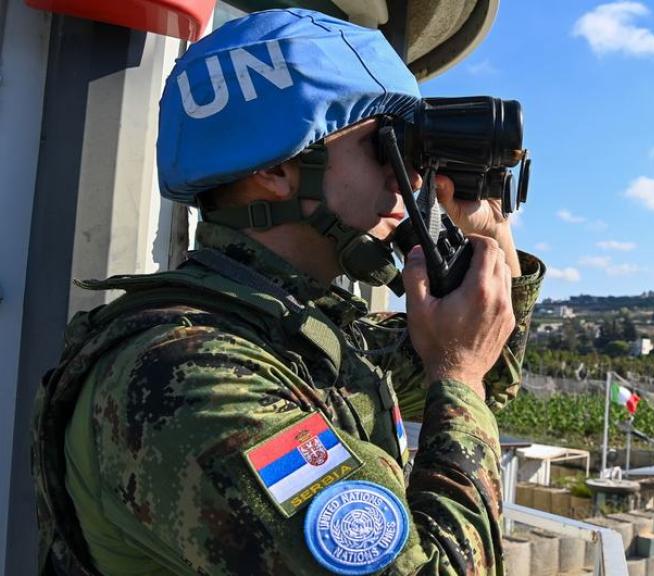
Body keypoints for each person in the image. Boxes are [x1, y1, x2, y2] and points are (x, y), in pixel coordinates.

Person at [32, 8, 544, 576]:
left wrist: (491, 241)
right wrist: (457, 373)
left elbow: (488, 375)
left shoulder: (294, 332)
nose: (412, 180)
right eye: (385, 147)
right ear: (278, 168)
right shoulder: (191, 376)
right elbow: (465, 378)